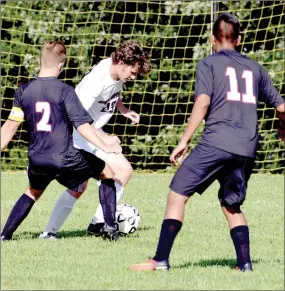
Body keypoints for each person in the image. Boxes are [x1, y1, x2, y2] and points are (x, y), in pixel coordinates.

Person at [129, 13, 285, 272]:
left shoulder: (209, 64)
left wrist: (184, 140)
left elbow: (203, 102)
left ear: (213, 40)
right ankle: (245, 265)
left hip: (216, 142)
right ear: (240, 39)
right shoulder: (255, 68)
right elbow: (282, 108)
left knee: (177, 194)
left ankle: (160, 260)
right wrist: (282, 129)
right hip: (246, 148)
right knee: (231, 204)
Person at [1, 40, 122, 241]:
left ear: (40, 62)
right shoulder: (65, 90)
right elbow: (82, 126)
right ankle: (110, 229)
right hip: (65, 158)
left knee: (33, 191)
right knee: (107, 173)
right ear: (60, 66)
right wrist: (106, 145)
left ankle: (4, 236)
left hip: (37, 159)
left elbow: (9, 127)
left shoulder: (23, 91)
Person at [40, 40, 152, 238]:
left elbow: (113, 94)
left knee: (123, 170)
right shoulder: (97, 80)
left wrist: (124, 110)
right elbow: (77, 117)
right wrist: (105, 141)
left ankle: (98, 223)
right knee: (79, 186)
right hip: (77, 134)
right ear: (122, 63)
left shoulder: (116, 71)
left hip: (93, 132)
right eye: (133, 73)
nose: (133, 78)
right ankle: (49, 232)